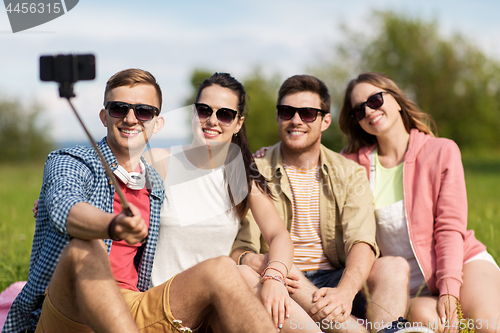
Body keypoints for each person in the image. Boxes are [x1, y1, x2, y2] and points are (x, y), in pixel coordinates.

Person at [3, 69, 282, 333]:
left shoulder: (155, 181)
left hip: (132, 305)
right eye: (119, 108)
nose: (131, 118)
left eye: (144, 111)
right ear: (103, 116)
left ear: (157, 123)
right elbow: (66, 205)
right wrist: (110, 225)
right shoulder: (72, 160)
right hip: (68, 309)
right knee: (86, 247)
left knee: (223, 269)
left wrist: (267, 269)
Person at [231, 75, 428, 333]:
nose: (296, 120)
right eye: (287, 112)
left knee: (394, 266)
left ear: (325, 120)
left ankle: (382, 329)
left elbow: (362, 241)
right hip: (281, 279)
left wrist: (345, 292)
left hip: (335, 279)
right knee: (281, 271)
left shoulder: (349, 173)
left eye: (308, 113)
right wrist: (269, 266)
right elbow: (240, 249)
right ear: (278, 117)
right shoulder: (253, 172)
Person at [146, 72, 321, 332]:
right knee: (238, 274)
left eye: (224, 114)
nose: (212, 120)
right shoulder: (159, 161)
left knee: (252, 276)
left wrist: (274, 276)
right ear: (194, 113)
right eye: (204, 110)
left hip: (215, 306)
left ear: (238, 123)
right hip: (166, 302)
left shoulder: (240, 177)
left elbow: (278, 235)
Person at [339, 72, 500, 332]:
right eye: (358, 110)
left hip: (460, 263)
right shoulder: (350, 165)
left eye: (375, 100)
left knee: (488, 324)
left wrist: (449, 288)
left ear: (398, 101)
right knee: (431, 323)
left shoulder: (441, 151)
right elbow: (310, 162)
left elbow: (449, 227)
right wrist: (264, 156)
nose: (369, 110)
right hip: (408, 282)